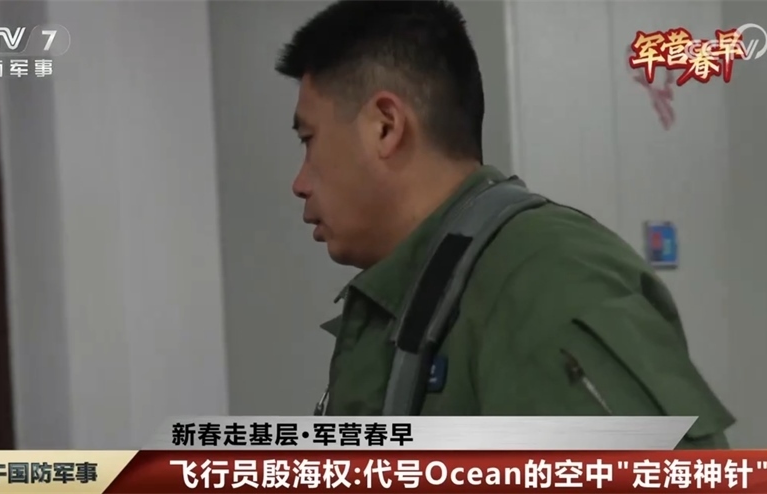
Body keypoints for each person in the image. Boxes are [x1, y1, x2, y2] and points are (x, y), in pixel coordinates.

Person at [275, 0, 734, 448]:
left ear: (385, 126)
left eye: (308, 140)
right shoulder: (419, 294)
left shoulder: (546, 283)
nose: (299, 183)